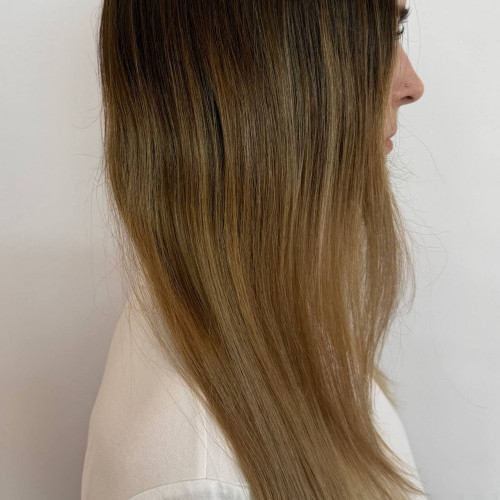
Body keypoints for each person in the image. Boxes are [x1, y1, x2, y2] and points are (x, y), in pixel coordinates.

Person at [82, 1, 426, 498]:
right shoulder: (202, 478)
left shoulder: (265, 317)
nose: (413, 85)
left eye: (396, 28)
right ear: (259, 82)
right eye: (375, 34)